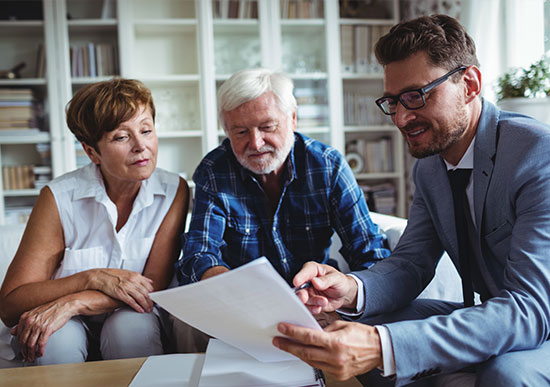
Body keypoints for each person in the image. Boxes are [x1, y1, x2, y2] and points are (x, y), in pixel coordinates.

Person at [272, 14, 550, 387]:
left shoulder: (537, 154)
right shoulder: (430, 169)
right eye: (392, 101)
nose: (401, 118)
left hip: (539, 318)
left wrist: (384, 346)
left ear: (469, 84)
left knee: (508, 375)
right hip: (501, 313)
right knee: (369, 322)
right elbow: (411, 263)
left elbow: (529, 310)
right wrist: (350, 289)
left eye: (417, 96)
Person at [172, 68, 389, 351]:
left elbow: (370, 253)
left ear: (293, 119)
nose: (255, 143)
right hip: (238, 305)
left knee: (352, 328)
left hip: (311, 302)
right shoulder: (214, 170)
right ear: (226, 131)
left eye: (267, 127)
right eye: (240, 131)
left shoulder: (328, 166)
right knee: (186, 322)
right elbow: (199, 253)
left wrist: (342, 290)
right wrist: (227, 284)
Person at [0, 78, 189, 365]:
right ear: (91, 152)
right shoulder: (58, 197)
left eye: (146, 130)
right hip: (66, 323)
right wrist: (92, 278)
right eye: (121, 137)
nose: (141, 146)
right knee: (56, 340)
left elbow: (152, 288)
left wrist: (73, 301)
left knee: (130, 327)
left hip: (131, 314)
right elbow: (11, 304)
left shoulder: (174, 190)